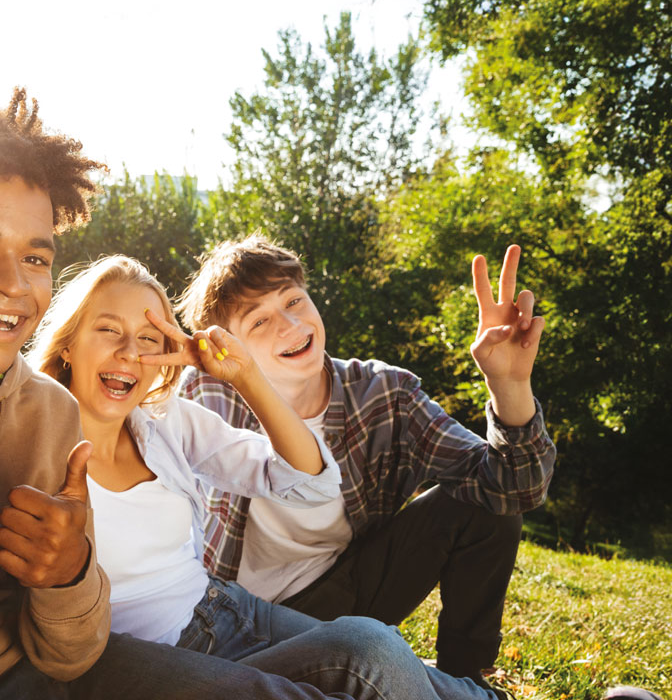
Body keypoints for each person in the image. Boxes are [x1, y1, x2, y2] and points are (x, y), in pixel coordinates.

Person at [0, 90, 493, 700]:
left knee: (367, 651)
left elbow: (71, 646)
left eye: (34, 257)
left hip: (162, 634)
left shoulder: (75, 418)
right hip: (90, 665)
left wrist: (67, 574)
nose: (9, 280)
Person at [26, 254, 500, 700]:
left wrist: (246, 375)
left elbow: (309, 481)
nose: (130, 352)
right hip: (136, 652)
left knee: (375, 646)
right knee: (356, 666)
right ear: (68, 342)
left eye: (149, 339)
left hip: (221, 609)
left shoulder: (165, 421)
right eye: (108, 330)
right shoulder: (29, 441)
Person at [176, 233, 556, 686]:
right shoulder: (205, 393)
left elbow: (516, 486)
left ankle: (464, 680)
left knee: (489, 510)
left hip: (346, 590)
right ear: (227, 345)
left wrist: (509, 385)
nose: (287, 323)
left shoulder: (383, 394)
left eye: (294, 301)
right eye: (258, 322)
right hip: (230, 619)